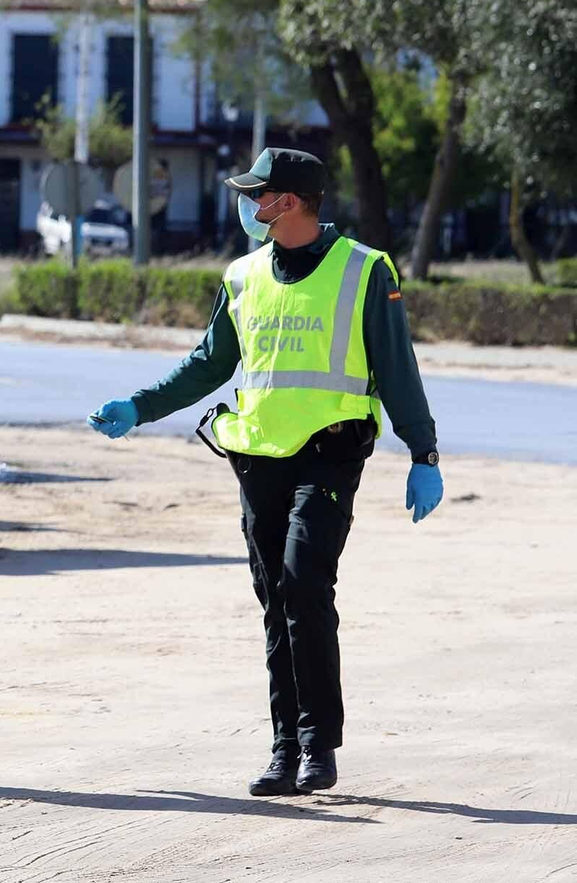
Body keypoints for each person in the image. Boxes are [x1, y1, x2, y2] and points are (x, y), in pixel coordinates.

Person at [87, 148, 444, 797]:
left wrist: (423, 452)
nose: (250, 206)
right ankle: (284, 748)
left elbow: (397, 367)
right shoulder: (244, 275)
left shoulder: (364, 270)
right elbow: (207, 363)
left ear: (291, 200)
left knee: (305, 580)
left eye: (259, 194)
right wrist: (140, 406)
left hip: (331, 450)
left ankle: (318, 746)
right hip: (257, 457)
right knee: (277, 600)